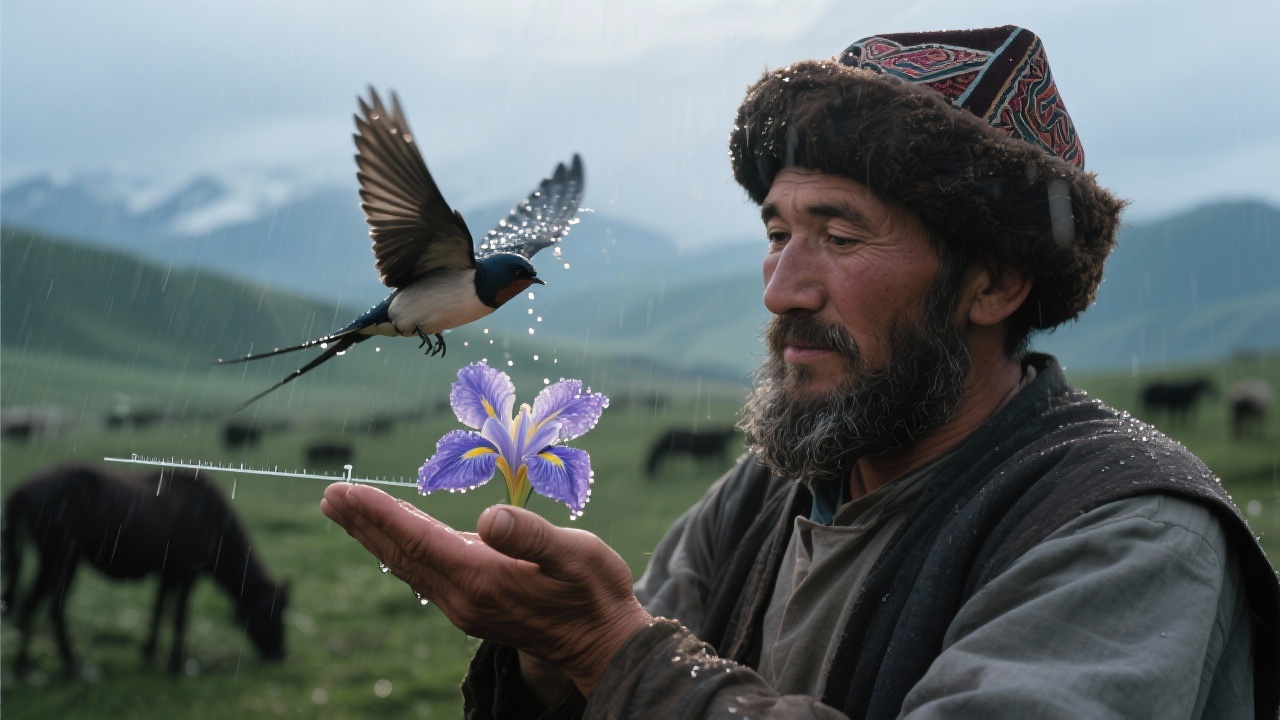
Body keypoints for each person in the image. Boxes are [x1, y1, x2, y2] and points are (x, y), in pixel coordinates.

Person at [321, 26, 1280, 719]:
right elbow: (622, 671)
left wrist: (601, 648)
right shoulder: (763, 501)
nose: (782, 290)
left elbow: (631, 656)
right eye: (777, 234)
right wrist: (544, 658)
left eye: (839, 234)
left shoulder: (1126, 532)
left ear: (992, 284)